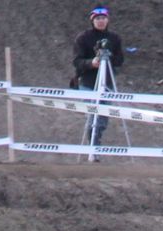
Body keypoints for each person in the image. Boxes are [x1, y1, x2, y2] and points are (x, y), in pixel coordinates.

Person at [73, 6, 125, 147]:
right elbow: (76, 61)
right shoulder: (83, 38)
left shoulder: (115, 38)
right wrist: (92, 63)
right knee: (92, 113)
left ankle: (97, 139)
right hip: (88, 82)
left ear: (107, 19)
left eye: (103, 18)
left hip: (107, 81)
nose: (101, 21)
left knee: (103, 115)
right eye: (97, 19)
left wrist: (109, 58)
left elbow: (120, 60)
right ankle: (93, 142)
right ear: (92, 20)